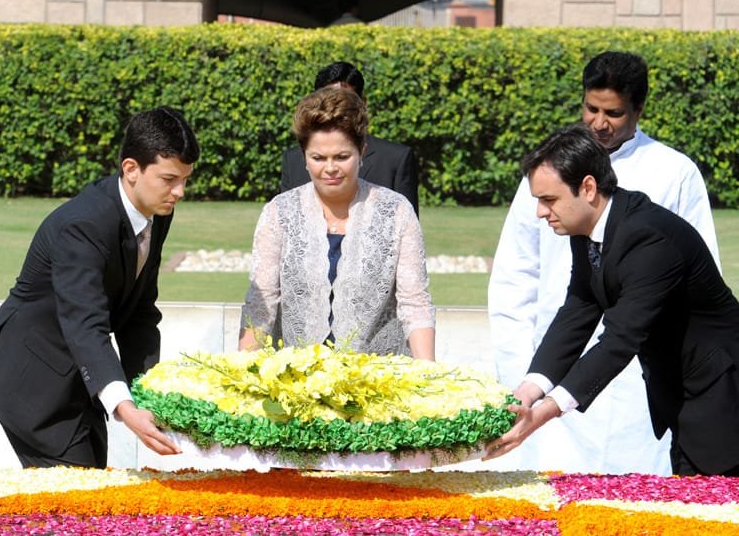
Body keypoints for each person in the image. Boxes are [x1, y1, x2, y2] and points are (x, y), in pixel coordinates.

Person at [487, 51, 721, 474]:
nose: (599, 122)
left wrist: (543, 411)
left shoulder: (654, 221)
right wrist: (526, 390)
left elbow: (621, 336)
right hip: (605, 372)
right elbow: (578, 308)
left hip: (706, 395)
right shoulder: (584, 222)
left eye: (612, 112)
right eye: (590, 109)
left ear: (589, 189)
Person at [0, 106, 200, 468]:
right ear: (131, 169)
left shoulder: (157, 211)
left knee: (91, 488)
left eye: (186, 179)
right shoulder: (82, 225)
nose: (180, 192)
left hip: (82, 378)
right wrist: (126, 408)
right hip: (34, 383)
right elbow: (84, 322)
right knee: (73, 505)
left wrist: (149, 394)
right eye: (170, 179)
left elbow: (139, 312)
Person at [241, 86, 435, 360]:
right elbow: (261, 304)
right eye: (318, 158)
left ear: (362, 152)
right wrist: (241, 372)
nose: (330, 168)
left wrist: (429, 372)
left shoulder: (396, 211)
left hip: (380, 379)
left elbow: (415, 303)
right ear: (304, 157)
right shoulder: (279, 212)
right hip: (295, 381)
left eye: (342, 157)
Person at [280, 61, 420, 217]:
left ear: (363, 104)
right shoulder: (292, 160)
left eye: (346, 101)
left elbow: (408, 230)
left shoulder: (395, 159)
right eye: (328, 101)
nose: (336, 109)